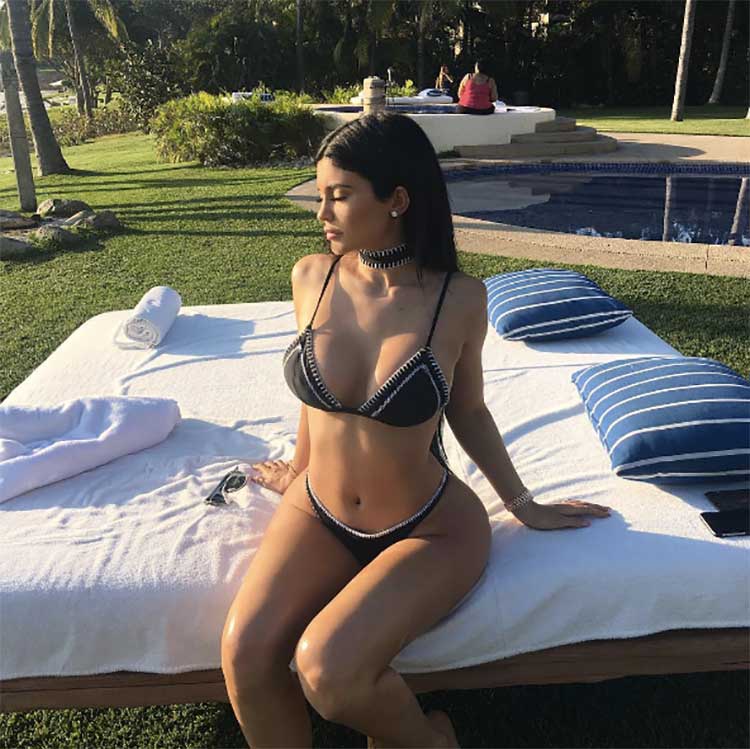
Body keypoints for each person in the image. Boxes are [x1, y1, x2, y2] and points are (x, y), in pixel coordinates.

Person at [221, 111, 612, 749]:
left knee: (328, 670)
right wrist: (298, 467)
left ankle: (433, 740)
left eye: (339, 195)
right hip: (319, 510)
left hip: (430, 528)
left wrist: (523, 505)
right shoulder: (311, 276)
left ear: (396, 200)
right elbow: (317, 402)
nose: (321, 212)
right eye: (319, 194)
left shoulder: (458, 298)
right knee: (244, 653)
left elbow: (469, 411)